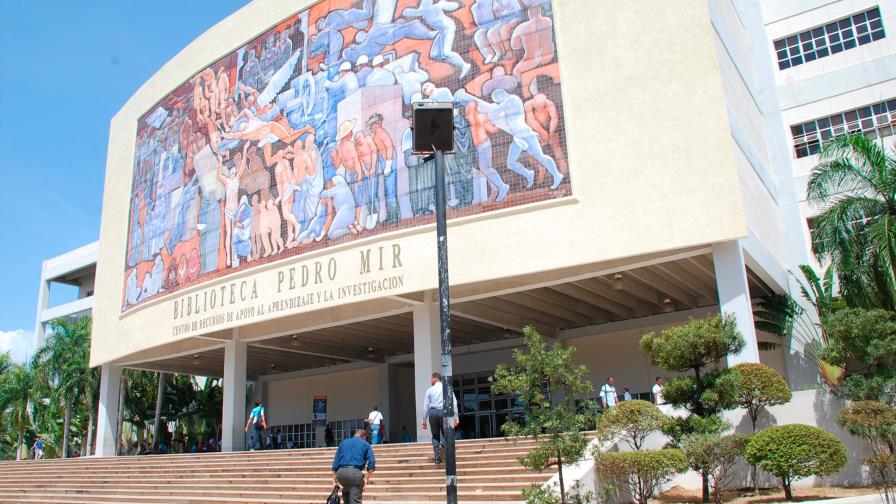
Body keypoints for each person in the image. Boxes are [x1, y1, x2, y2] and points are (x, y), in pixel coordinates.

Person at [420, 372, 459, 465]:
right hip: (444, 412)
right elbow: (454, 403)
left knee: (435, 435)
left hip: (433, 413)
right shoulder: (447, 388)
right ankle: (443, 445)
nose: (431, 381)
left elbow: (426, 407)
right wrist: (456, 417)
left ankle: (437, 458)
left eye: (431, 379)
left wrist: (424, 421)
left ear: (434, 379)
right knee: (446, 432)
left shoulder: (429, 390)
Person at [332, 429, 376, 504]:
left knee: (347, 496)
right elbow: (372, 462)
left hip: (341, 474)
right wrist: (366, 479)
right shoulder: (365, 444)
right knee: (355, 501)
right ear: (364, 437)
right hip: (354, 474)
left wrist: (334, 481)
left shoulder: (343, 442)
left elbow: (335, 463)